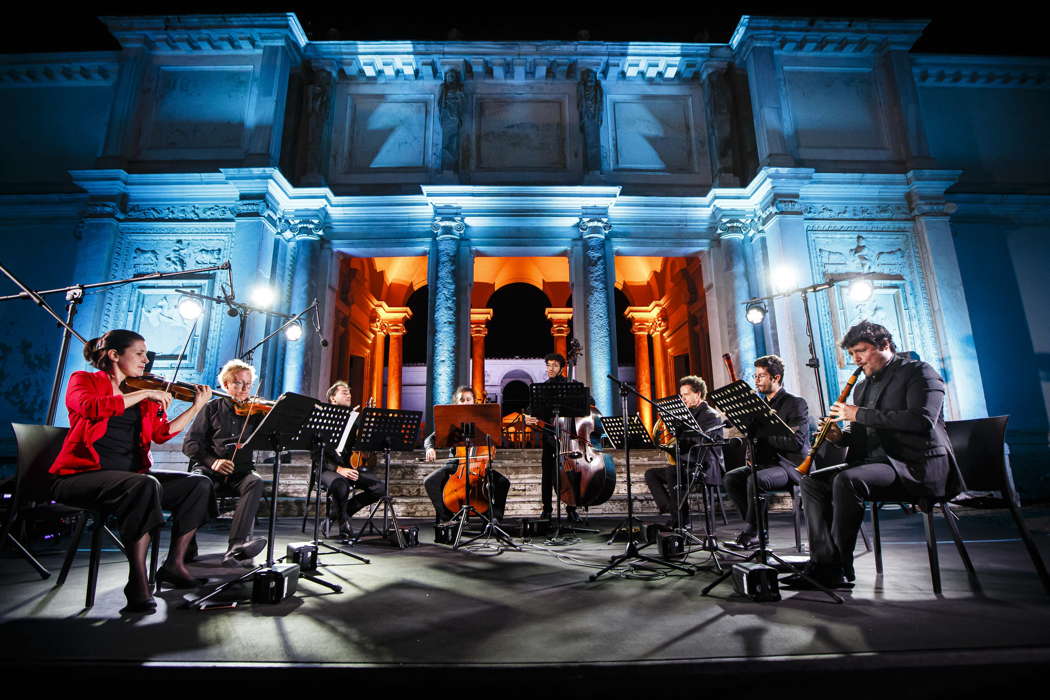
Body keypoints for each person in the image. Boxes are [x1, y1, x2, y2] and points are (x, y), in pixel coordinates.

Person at [785, 320, 963, 589]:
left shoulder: (919, 372)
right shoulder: (862, 386)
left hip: (915, 465)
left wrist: (856, 413)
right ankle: (825, 563)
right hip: (877, 464)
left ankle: (833, 568)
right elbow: (863, 436)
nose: (856, 360)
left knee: (848, 481)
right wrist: (838, 437)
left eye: (861, 351)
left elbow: (921, 421)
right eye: (852, 354)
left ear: (885, 345)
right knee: (812, 482)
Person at [50, 329, 215, 613]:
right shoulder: (84, 381)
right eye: (139, 353)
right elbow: (90, 408)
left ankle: (174, 564)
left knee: (198, 484)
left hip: (130, 477)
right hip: (81, 476)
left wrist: (197, 407)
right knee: (143, 485)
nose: (145, 360)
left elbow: (162, 433)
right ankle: (137, 579)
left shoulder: (141, 393)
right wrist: (144, 394)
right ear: (114, 355)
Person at [182, 359, 267, 567]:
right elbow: (190, 445)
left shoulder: (257, 412)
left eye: (248, 384)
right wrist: (213, 462)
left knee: (255, 482)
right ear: (226, 385)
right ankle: (185, 549)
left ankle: (236, 547)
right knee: (195, 483)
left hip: (240, 474)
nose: (245, 389)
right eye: (238, 383)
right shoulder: (211, 408)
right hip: (209, 473)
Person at [722, 355, 810, 550]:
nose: (756, 380)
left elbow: (796, 443)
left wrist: (763, 433)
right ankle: (757, 528)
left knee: (755, 480)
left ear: (776, 378)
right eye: (755, 376)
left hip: (789, 465)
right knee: (731, 478)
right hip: (767, 464)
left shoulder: (795, 403)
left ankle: (754, 533)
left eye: (761, 376)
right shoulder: (761, 408)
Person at [423, 385, 511, 524]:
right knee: (430, 481)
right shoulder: (452, 421)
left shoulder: (483, 421)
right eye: (461, 400)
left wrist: (495, 432)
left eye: (468, 399)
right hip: (456, 466)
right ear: (456, 403)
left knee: (502, 482)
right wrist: (430, 448)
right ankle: (448, 520)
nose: (465, 402)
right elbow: (430, 439)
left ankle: (494, 520)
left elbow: (503, 442)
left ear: (474, 402)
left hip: (479, 467)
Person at [645, 375, 725, 528]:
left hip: (705, 465)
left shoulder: (710, 415)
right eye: (682, 395)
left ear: (698, 394)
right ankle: (670, 508)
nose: (683, 399)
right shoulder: (687, 415)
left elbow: (703, 444)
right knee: (651, 474)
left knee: (673, 472)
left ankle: (681, 521)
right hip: (686, 463)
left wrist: (683, 437)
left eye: (686, 394)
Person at [310, 381, 385, 541]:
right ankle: (343, 522)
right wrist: (338, 469)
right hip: (326, 469)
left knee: (379, 488)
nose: (349, 395)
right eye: (344, 392)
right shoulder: (322, 418)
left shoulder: (355, 420)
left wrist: (368, 431)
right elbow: (316, 454)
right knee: (340, 484)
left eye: (349, 392)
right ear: (332, 398)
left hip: (350, 467)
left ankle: (334, 516)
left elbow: (364, 452)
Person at [523, 353, 581, 521]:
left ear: (562, 368)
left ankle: (571, 509)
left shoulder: (572, 385)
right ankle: (547, 509)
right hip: (549, 436)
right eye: (548, 365)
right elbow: (530, 410)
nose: (550, 368)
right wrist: (528, 418)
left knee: (570, 474)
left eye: (554, 365)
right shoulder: (542, 389)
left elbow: (589, 401)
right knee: (547, 474)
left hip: (569, 437)